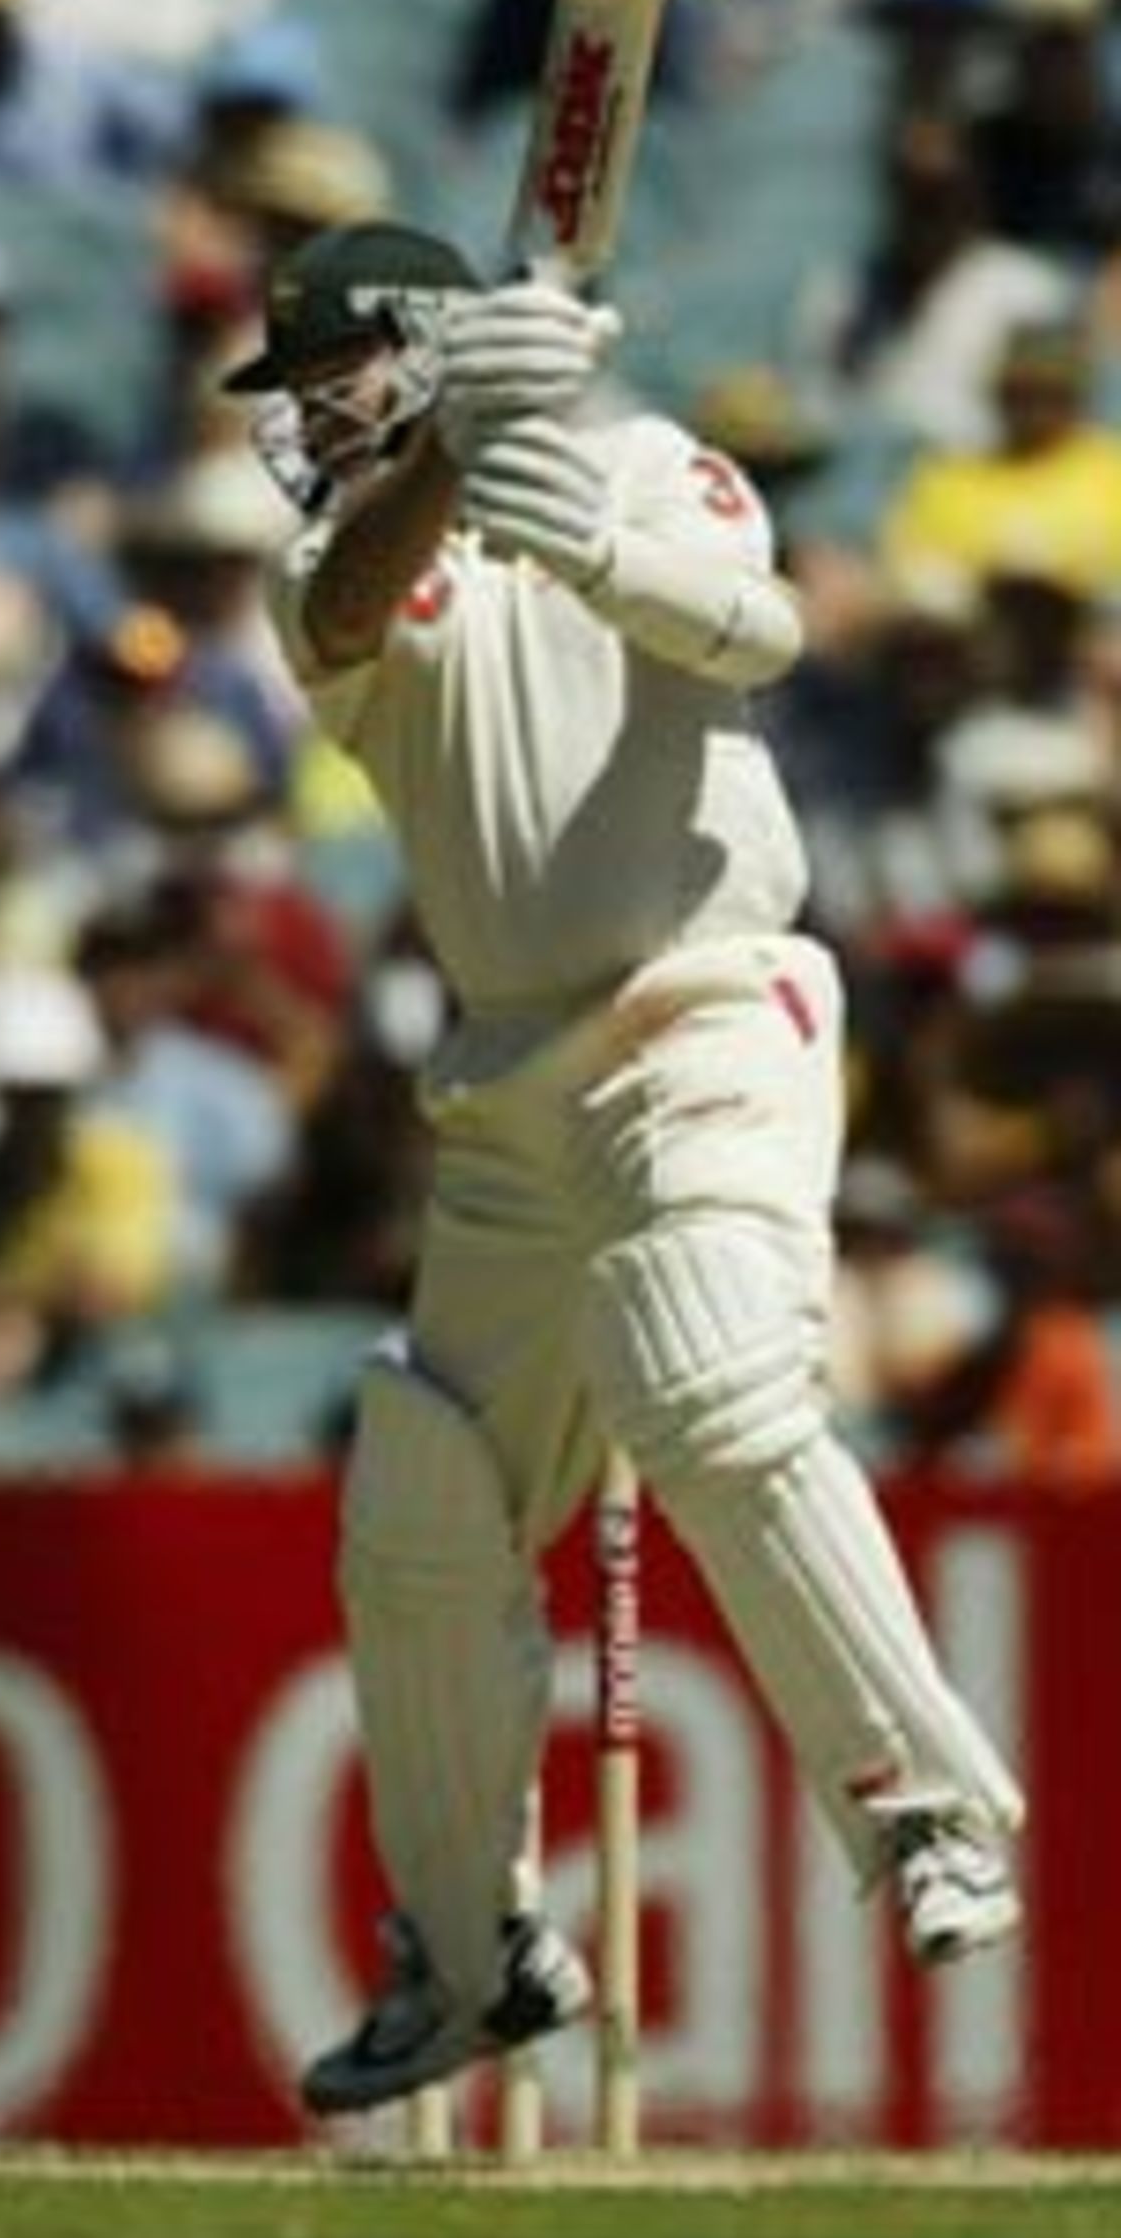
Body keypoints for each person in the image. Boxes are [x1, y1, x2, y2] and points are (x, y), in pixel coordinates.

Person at [223, 219, 1025, 2116]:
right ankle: (464, 1944)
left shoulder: (654, 459)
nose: (301, 425)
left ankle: (924, 1810)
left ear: (415, 347)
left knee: (708, 1371)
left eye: (329, 381)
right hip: (509, 1087)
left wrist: (577, 518)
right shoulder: (335, 557)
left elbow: (762, 631)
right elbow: (348, 610)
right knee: (421, 1497)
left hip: (708, 1005)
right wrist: (450, 449)